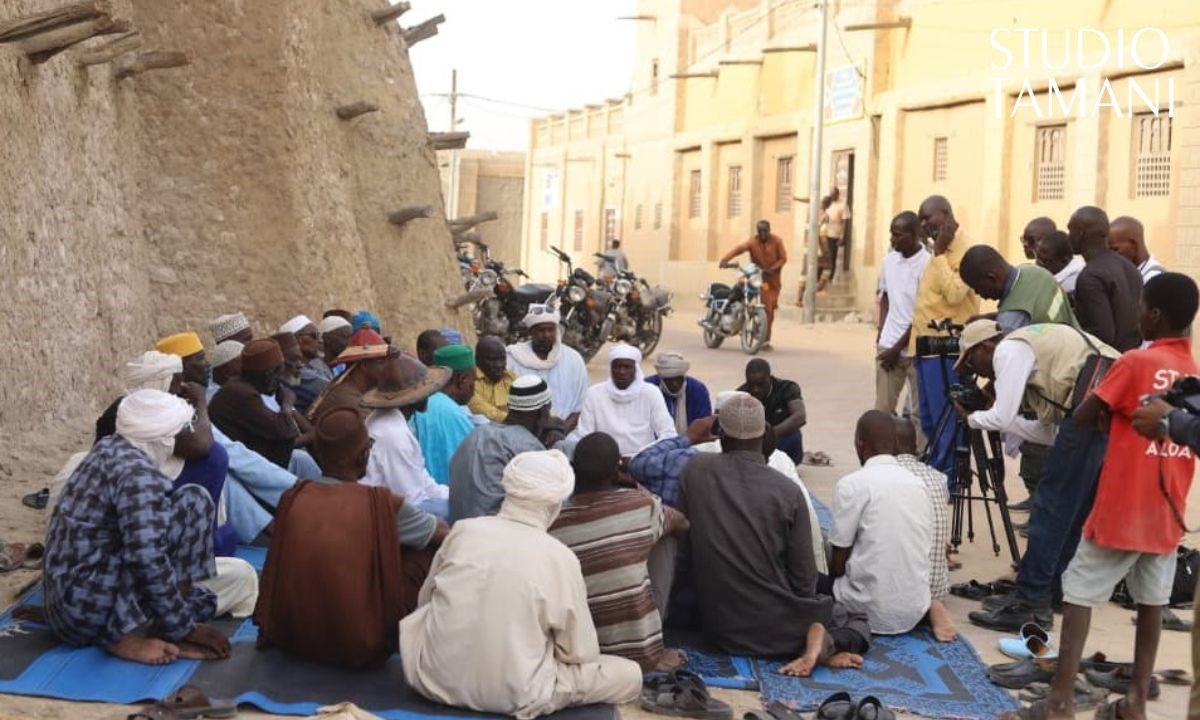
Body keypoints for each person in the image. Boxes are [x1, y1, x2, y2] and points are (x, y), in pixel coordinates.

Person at [1012, 274, 1200, 720]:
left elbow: (1084, 412)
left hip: (1120, 508)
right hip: (1166, 511)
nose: (1137, 314)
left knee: (1079, 593)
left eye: (1141, 307)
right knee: (1151, 601)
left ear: (1155, 315)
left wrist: (1107, 419)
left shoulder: (1134, 361)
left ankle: (1060, 700)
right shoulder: (1194, 372)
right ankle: (1135, 700)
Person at [400, 450, 643, 720]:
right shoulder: (559, 557)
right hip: (516, 692)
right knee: (629, 674)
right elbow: (579, 652)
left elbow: (425, 602)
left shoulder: (463, 530)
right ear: (556, 503)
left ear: (508, 490)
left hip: (431, 678)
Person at [678, 393, 870, 675]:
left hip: (716, 625)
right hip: (778, 632)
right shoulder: (787, 490)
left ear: (721, 434)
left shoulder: (695, 469)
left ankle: (817, 643)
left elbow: (684, 547)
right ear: (764, 434)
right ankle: (826, 643)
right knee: (854, 616)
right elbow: (804, 583)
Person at [44, 389, 232, 666]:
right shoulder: (138, 474)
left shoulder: (109, 448)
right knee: (192, 518)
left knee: (193, 500)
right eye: (180, 430)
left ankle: (164, 621)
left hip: (66, 600)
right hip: (84, 615)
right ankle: (129, 636)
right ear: (164, 437)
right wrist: (184, 628)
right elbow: (147, 558)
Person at [953, 320, 1119, 631]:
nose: (980, 376)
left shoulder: (1009, 349)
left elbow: (1002, 415)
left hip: (1092, 406)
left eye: (972, 363)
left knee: (1049, 508)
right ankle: (1051, 592)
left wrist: (973, 418)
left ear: (985, 346)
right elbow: (1048, 434)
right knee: (1070, 514)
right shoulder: (1035, 358)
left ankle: (1030, 603)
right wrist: (992, 415)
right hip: (1101, 407)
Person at [256, 408, 446, 669]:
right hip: (360, 646)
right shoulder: (381, 503)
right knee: (427, 550)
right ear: (364, 454)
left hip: (292, 637)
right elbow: (442, 534)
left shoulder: (293, 497)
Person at [549, 433, 689, 673]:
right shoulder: (640, 505)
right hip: (641, 657)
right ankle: (655, 636)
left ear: (572, 468)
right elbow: (683, 523)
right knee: (664, 532)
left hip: (576, 651)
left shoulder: (554, 522)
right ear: (616, 473)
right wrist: (638, 488)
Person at [830, 411, 952, 640]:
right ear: (895, 444)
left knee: (811, 570)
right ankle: (932, 608)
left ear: (859, 443)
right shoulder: (919, 485)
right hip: (914, 608)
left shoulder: (852, 484)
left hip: (863, 609)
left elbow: (837, 564)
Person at [911, 195, 980, 480]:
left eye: (928, 218)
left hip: (948, 349)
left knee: (947, 418)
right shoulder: (935, 250)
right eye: (921, 220)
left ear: (946, 213)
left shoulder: (966, 250)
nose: (924, 225)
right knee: (930, 419)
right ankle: (940, 473)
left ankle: (949, 478)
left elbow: (954, 294)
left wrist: (939, 254)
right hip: (925, 346)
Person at [449, 376, 557, 521]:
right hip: (497, 531)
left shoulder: (475, 434)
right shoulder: (529, 448)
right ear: (543, 412)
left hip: (459, 529)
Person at [361, 351, 453, 519]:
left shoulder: (390, 422)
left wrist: (454, 495)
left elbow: (424, 480)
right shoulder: (392, 433)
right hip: (383, 514)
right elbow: (411, 500)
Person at [210, 338, 314, 469]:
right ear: (268, 374)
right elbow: (285, 432)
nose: (280, 378)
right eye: (278, 372)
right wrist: (287, 405)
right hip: (238, 467)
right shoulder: (241, 393)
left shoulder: (250, 386)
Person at [893, 419, 953, 637]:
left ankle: (919, 601)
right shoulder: (939, 477)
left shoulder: (883, 477)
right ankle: (931, 603)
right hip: (938, 587)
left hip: (896, 590)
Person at [875, 211, 931, 419]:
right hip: (889, 346)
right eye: (891, 234)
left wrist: (897, 348)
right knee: (882, 412)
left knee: (919, 415)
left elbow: (922, 314)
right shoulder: (889, 261)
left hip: (917, 349)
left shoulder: (929, 265)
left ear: (915, 234)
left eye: (897, 235)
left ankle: (916, 444)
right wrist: (882, 334)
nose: (892, 239)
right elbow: (886, 297)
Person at [576, 344, 676, 456]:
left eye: (627, 367)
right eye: (617, 367)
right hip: (604, 460)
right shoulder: (594, 394)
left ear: (635, 369)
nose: (622, 372)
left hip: (643, 459)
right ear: (611, 368)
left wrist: (637, 457)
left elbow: (668, 434)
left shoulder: (651, 393)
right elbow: (585, 435)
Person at [1069, 206, 1144, 351]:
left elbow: (1102, 335)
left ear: (1080, 234)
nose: (1068, 236)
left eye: (1070, 231)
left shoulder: (1091, 276)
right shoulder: (1129, 266)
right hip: (1131, 357)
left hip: (1108, 361)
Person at [959, 245, 1078, 332]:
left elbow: (1005, 354)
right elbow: (1032, 311)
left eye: (977, 287)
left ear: (992, 278)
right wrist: (990, 318)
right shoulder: (1033, 271)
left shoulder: (1010, 321)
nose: (977, 293)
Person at [506, 305, 588, 428]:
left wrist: (561, 430)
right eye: (541, 330)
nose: (546, 335)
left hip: (566, 429)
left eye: (550, 330)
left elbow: (580, 406)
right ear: (530, 332)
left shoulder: (574, 359)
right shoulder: (514, 358)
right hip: (522, 430)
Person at [412, 344, 477, 485]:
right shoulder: (452, 415)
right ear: (462, 379)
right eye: (474, 380)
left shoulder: (421, 401)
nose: (474, 388)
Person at [719, 219, 787, 348]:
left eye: (765, 231)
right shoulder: (753, 242)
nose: (763, 234)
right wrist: (725, 259)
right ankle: (729, 315)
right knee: (739, 292)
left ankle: (765, 339)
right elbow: (739, 249)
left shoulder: (777, 241)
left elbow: (783, 258)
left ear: (769, 230)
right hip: (756, 276)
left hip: (771, 281)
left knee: (768, 309)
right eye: (760, 231)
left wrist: (772, 269)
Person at [305, 328, 393, 422]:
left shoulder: (351, 391)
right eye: (381, 362)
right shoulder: (348, 400)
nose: (387, 367)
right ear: (364, 365)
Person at [739, 358, 805, 464]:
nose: (755, 389)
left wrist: (770, 435)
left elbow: (800, 416)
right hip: (756, 443)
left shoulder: (787, 388)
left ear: (770, 378)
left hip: (783, 439)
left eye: (760, 384)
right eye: (751, 384)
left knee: (793, 433)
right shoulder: (742, 394)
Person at [645, 351, 712, 436]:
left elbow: (704, 424)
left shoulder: (697, 390)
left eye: (678, 379)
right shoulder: (648, 388)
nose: (675, 384)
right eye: (670, 380)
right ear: (662, 378)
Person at [469, 335, 517, 423]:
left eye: (502, 359)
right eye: (492, 360)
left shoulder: (511, 377)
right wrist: (516, 421)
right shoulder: (471, 380)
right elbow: (479, 409)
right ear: (478, 360)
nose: (499, 365)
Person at [1109, 215, 1165, 284]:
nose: (1111, 256)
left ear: (1133, 244)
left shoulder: (1154, 278)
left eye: (1115, 250)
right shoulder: (1128, 273)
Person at [1035, 230, 1085, 300]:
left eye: (1044, 261)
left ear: (1064, 260)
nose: (1038, 263)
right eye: (1037, 257)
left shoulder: (1071, 285)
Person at [821, 186, 850, 287]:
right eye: (831, 194)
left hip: (835, 234)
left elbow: (845, 221)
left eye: (833, 194)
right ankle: (822, 276)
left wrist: (842, 236)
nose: (832, 196)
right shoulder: (828, 203)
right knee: (824, 255)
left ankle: (830, 277)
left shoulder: (843, 205)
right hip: (825, 233)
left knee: (832, 256)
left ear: (837, 194)